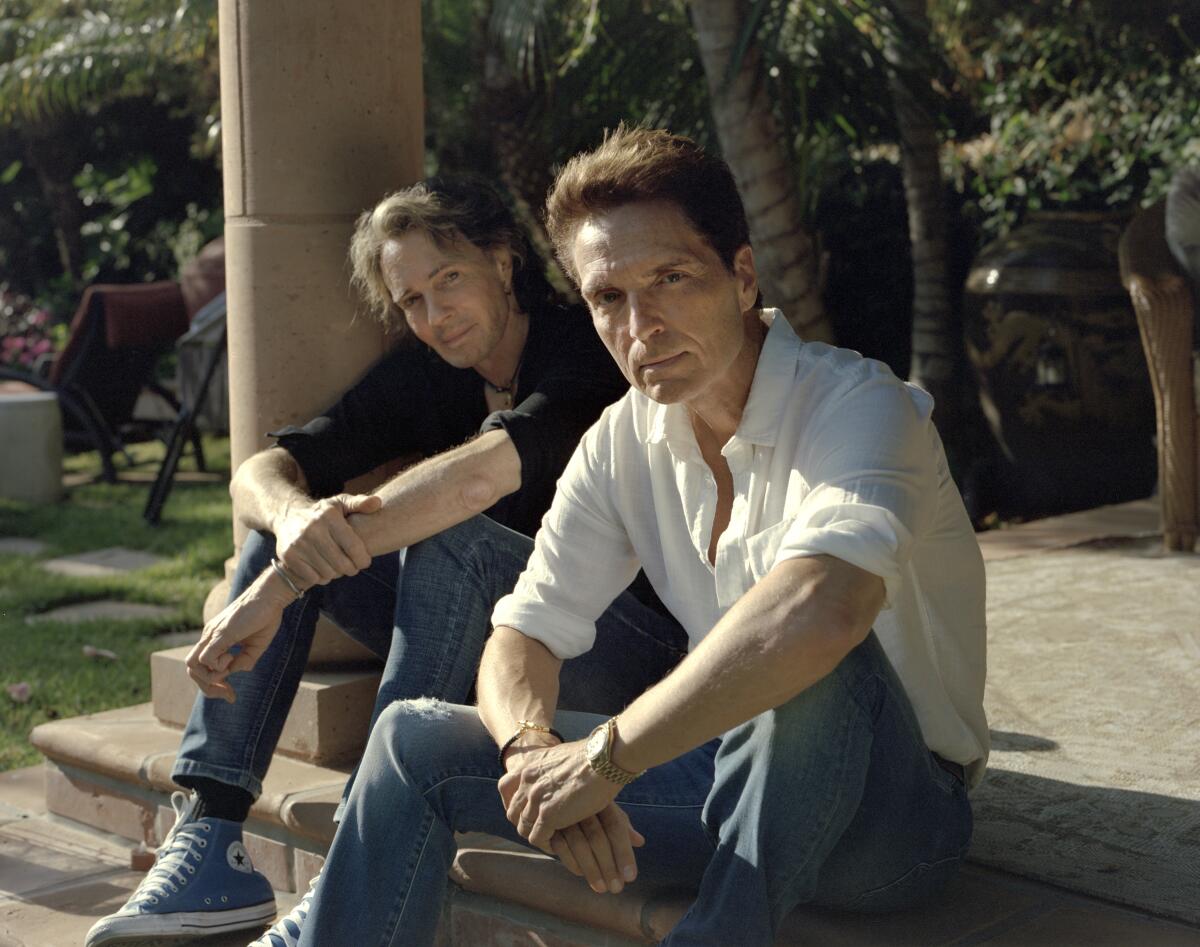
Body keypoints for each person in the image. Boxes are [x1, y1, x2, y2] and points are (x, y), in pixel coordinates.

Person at [280, 126, 990, 946]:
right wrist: (536, 755)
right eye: (607, 298)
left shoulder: (862, 406)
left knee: (804, 654)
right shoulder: (622, 440)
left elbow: (824, 609)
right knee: (411, 739)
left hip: (895, 824)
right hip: (717, 781)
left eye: (671, 279)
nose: (640, 324)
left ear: (741, 274)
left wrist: (605, 760)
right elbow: (522, 634)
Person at [84, 176, 688, 947]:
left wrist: (283, 583)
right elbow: (263, 471)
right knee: (284, 531)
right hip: (500, 648)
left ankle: (359, 857)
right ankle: (210, 839)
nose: (435, 317)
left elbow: (480, 476)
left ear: (501, 263)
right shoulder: (435, 365)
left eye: (449, 282)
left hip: (631, 650)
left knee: (446, 537)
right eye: (411, 301)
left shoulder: (584, 350)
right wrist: (295, 521)